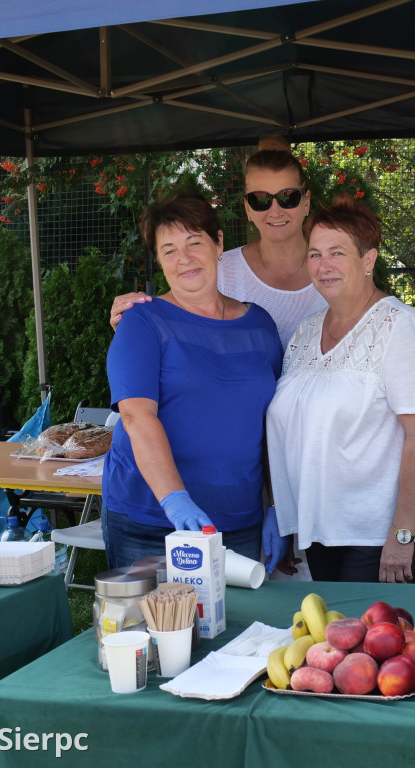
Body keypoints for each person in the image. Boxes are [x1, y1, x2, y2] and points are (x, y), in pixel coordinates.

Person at [266, 197, 415, 583]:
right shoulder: (306, 331)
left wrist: (403, 536)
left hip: (376, 536)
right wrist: (283, 517)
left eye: (337, 252)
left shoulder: (398, 327)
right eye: (315, 254)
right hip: (317, 529)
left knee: (366, 638)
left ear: (368, 261)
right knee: (333, 636)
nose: (323, 265)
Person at [101, 189, 286, 571]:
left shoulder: (261, 326)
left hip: (241, 520)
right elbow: (137, 417)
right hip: (151, 520)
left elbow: (273, 425)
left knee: (240, 631)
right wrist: (175, 500)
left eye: (193, 242)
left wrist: (276, 505)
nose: (183, 258)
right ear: (159, 260)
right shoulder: (141, 322)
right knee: (154, 630)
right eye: (168, 250)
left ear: (218, 243)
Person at [110, 146, 327, 345]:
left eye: (287, 197)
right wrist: (133, 318)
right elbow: (172, 320)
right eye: (260, 200)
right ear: (247, 208)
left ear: (306, 201)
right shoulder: (218, 271)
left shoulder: (338, 268)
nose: (275, 210)